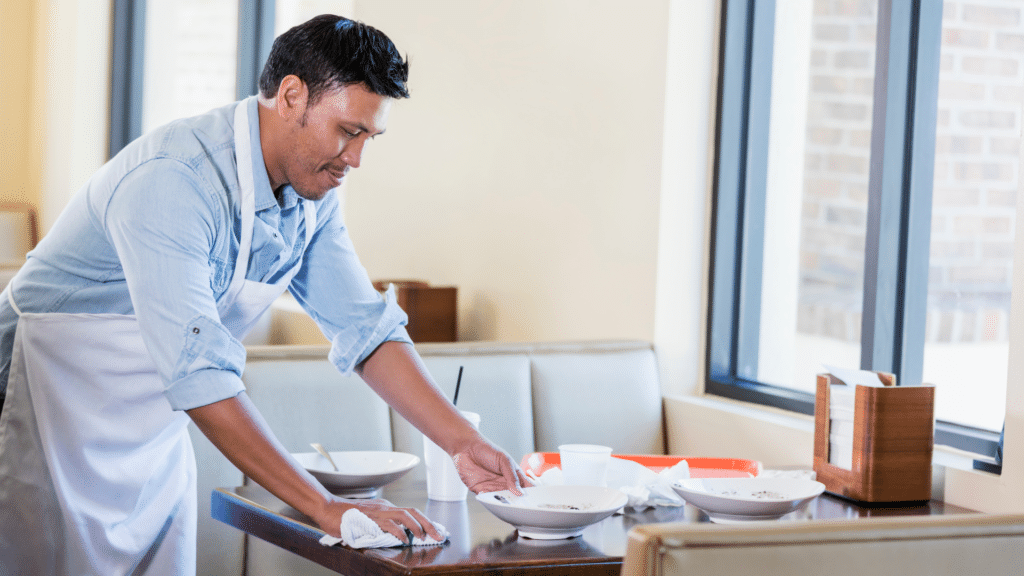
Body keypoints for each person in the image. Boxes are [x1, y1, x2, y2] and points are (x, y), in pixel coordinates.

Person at [0, 14, 528, 575]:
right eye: (348, 131)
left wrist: (461, 441)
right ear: (291, 96)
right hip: (44, 418)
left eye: (369, 138)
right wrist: (325, 506)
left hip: (150, 442)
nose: (356, 160)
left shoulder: (312, 196)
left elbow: (367, 330)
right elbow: (201, 375)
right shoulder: (173, 180)